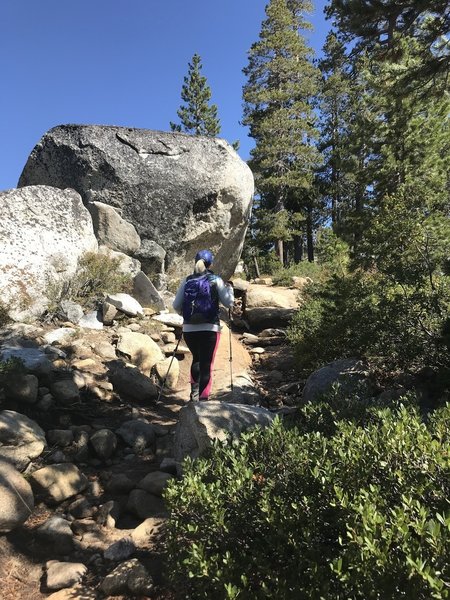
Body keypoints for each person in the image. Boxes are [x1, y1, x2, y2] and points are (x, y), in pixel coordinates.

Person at [172, 249, 234, 402]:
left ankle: (193, 397)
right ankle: (203, 400)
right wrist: (230, 290)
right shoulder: (215, 280)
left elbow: (175, 305)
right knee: (207, 363)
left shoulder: (187, 280)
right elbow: (229, 303)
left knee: (197, 359)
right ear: (210, 263)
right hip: (210, 328)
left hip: (189, 329)